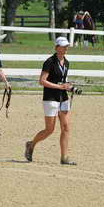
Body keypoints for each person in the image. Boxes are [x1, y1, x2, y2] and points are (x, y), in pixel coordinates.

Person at [24, 36, 77, 166]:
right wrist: (60, 86)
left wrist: (68, 86)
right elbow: (42, 81)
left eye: (66, 46)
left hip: (63, 98)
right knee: (49, 129)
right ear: (56, 47)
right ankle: (31, 144)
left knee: (66, 127)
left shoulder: (67, 62)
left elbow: (62, 80)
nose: (66, 48)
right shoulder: (49, 62)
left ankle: (64, 157)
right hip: (51, 98)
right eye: (63, 46)